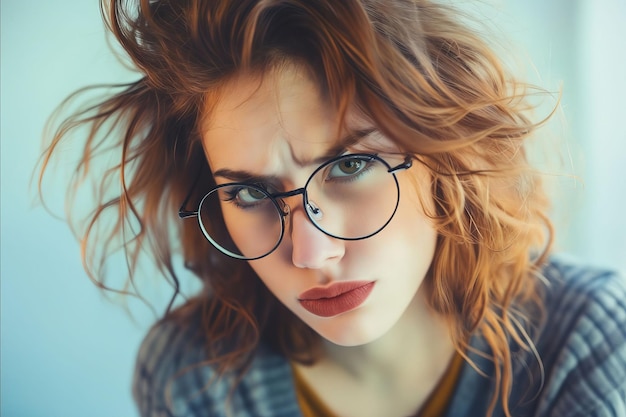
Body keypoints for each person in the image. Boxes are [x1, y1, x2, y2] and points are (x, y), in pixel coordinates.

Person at [39, 0, 626, 416]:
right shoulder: (195, 380)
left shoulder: (589, 341)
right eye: (251, 193)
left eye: (349, 166)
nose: (311, 252)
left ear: (443, 156)